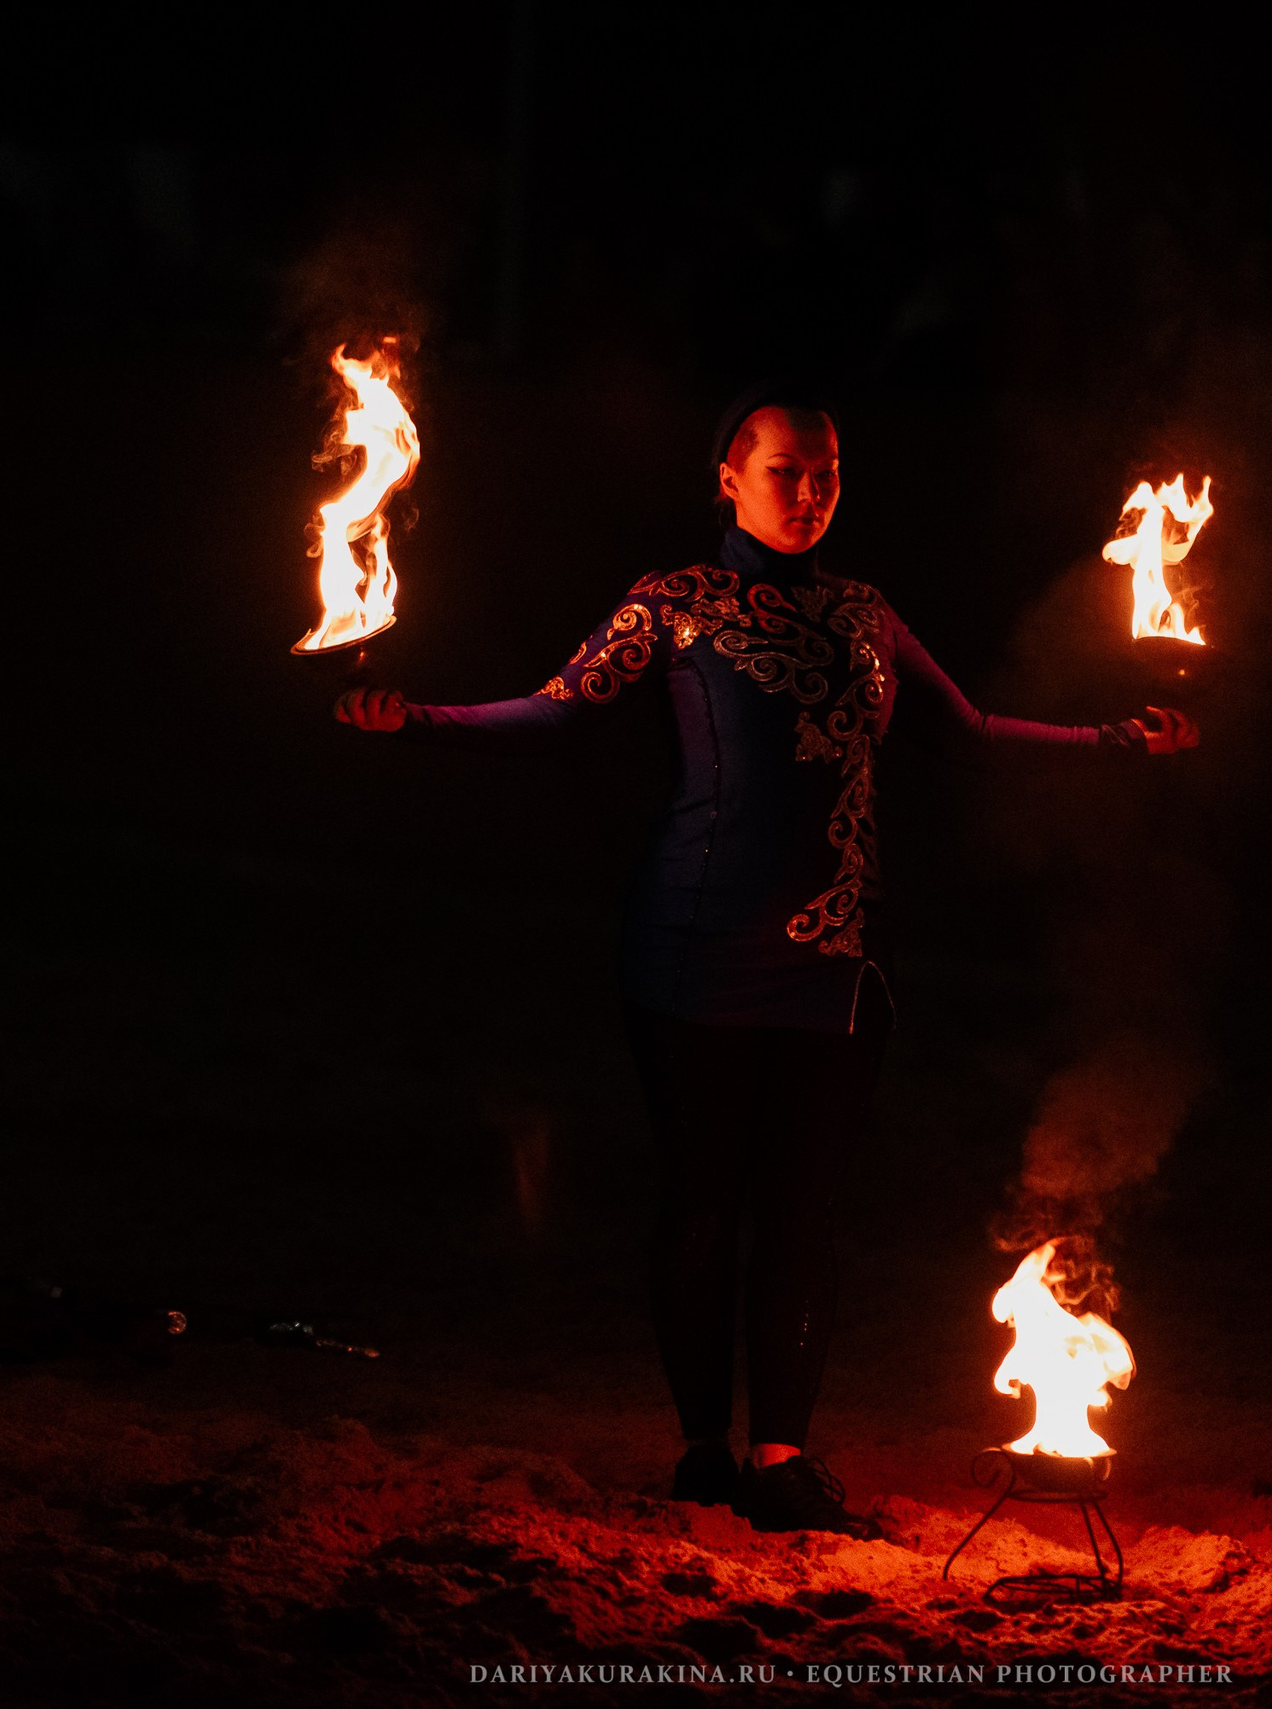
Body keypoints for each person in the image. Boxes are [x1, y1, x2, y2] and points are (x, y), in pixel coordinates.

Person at [335, 387, 1199, 1536]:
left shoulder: (864, 609)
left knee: (801, 1211)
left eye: (827, 470)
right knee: (702, 1201)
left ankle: (782, 1456)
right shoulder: (674, 602)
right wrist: (417, 722)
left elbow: (974, 731)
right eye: (785, 469)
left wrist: (1118, 741)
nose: (810, 491)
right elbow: (556, 711)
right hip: (694, 943)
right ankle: (702, 1450)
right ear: (729, 479)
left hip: (838, 956)